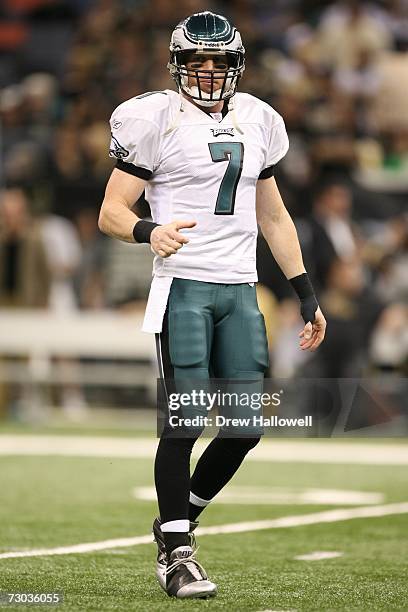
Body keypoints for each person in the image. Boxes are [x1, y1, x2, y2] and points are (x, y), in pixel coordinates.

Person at [98, 11, 326, 600]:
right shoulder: (155, 117)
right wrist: (149, 232)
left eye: (218, 61)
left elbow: (272, 215)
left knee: (246, 427)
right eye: (197, 61)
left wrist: (306, 294)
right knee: (185, 421)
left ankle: (180, 519)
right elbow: (111, 211)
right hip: (185, 286)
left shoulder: (259, 119)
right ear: (177, 64)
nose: (207, 72)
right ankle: (177, 554)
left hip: (241, 288)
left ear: (236, 64)